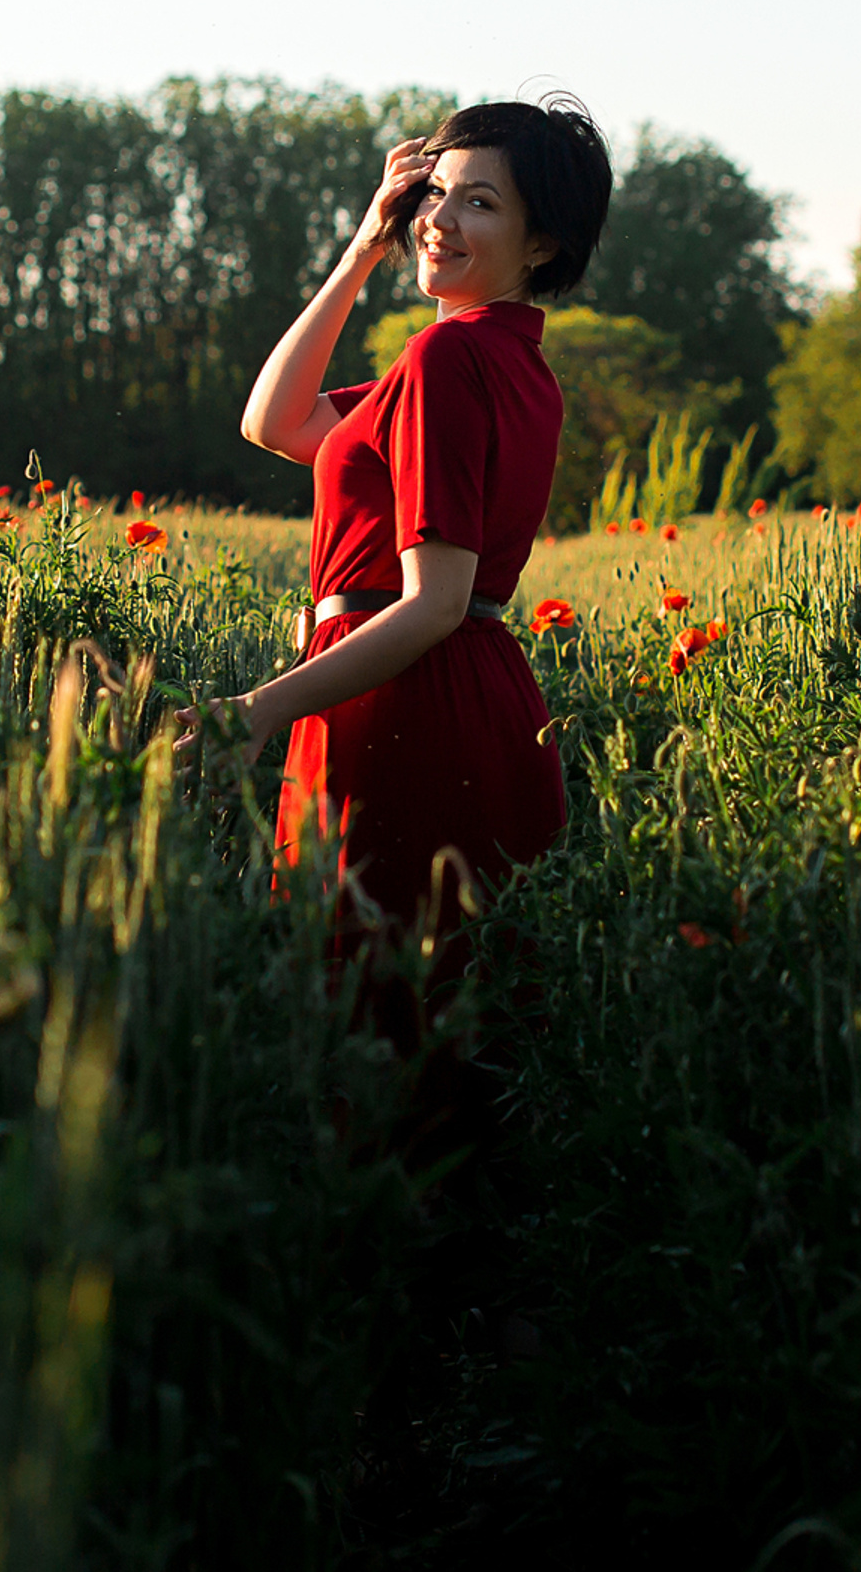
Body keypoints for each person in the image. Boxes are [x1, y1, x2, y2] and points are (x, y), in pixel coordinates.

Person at [206, 95, 613, 994]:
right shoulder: (502, 362)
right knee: (444, 1020)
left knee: (371, 1015)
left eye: (482, 203)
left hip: (402, 699)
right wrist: (362, 249)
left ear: (541, 244)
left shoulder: (449, 362)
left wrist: (261, 709)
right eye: (434, 192)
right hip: (467, 693)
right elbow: (275, 422)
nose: (439, 219)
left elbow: (431, 601)